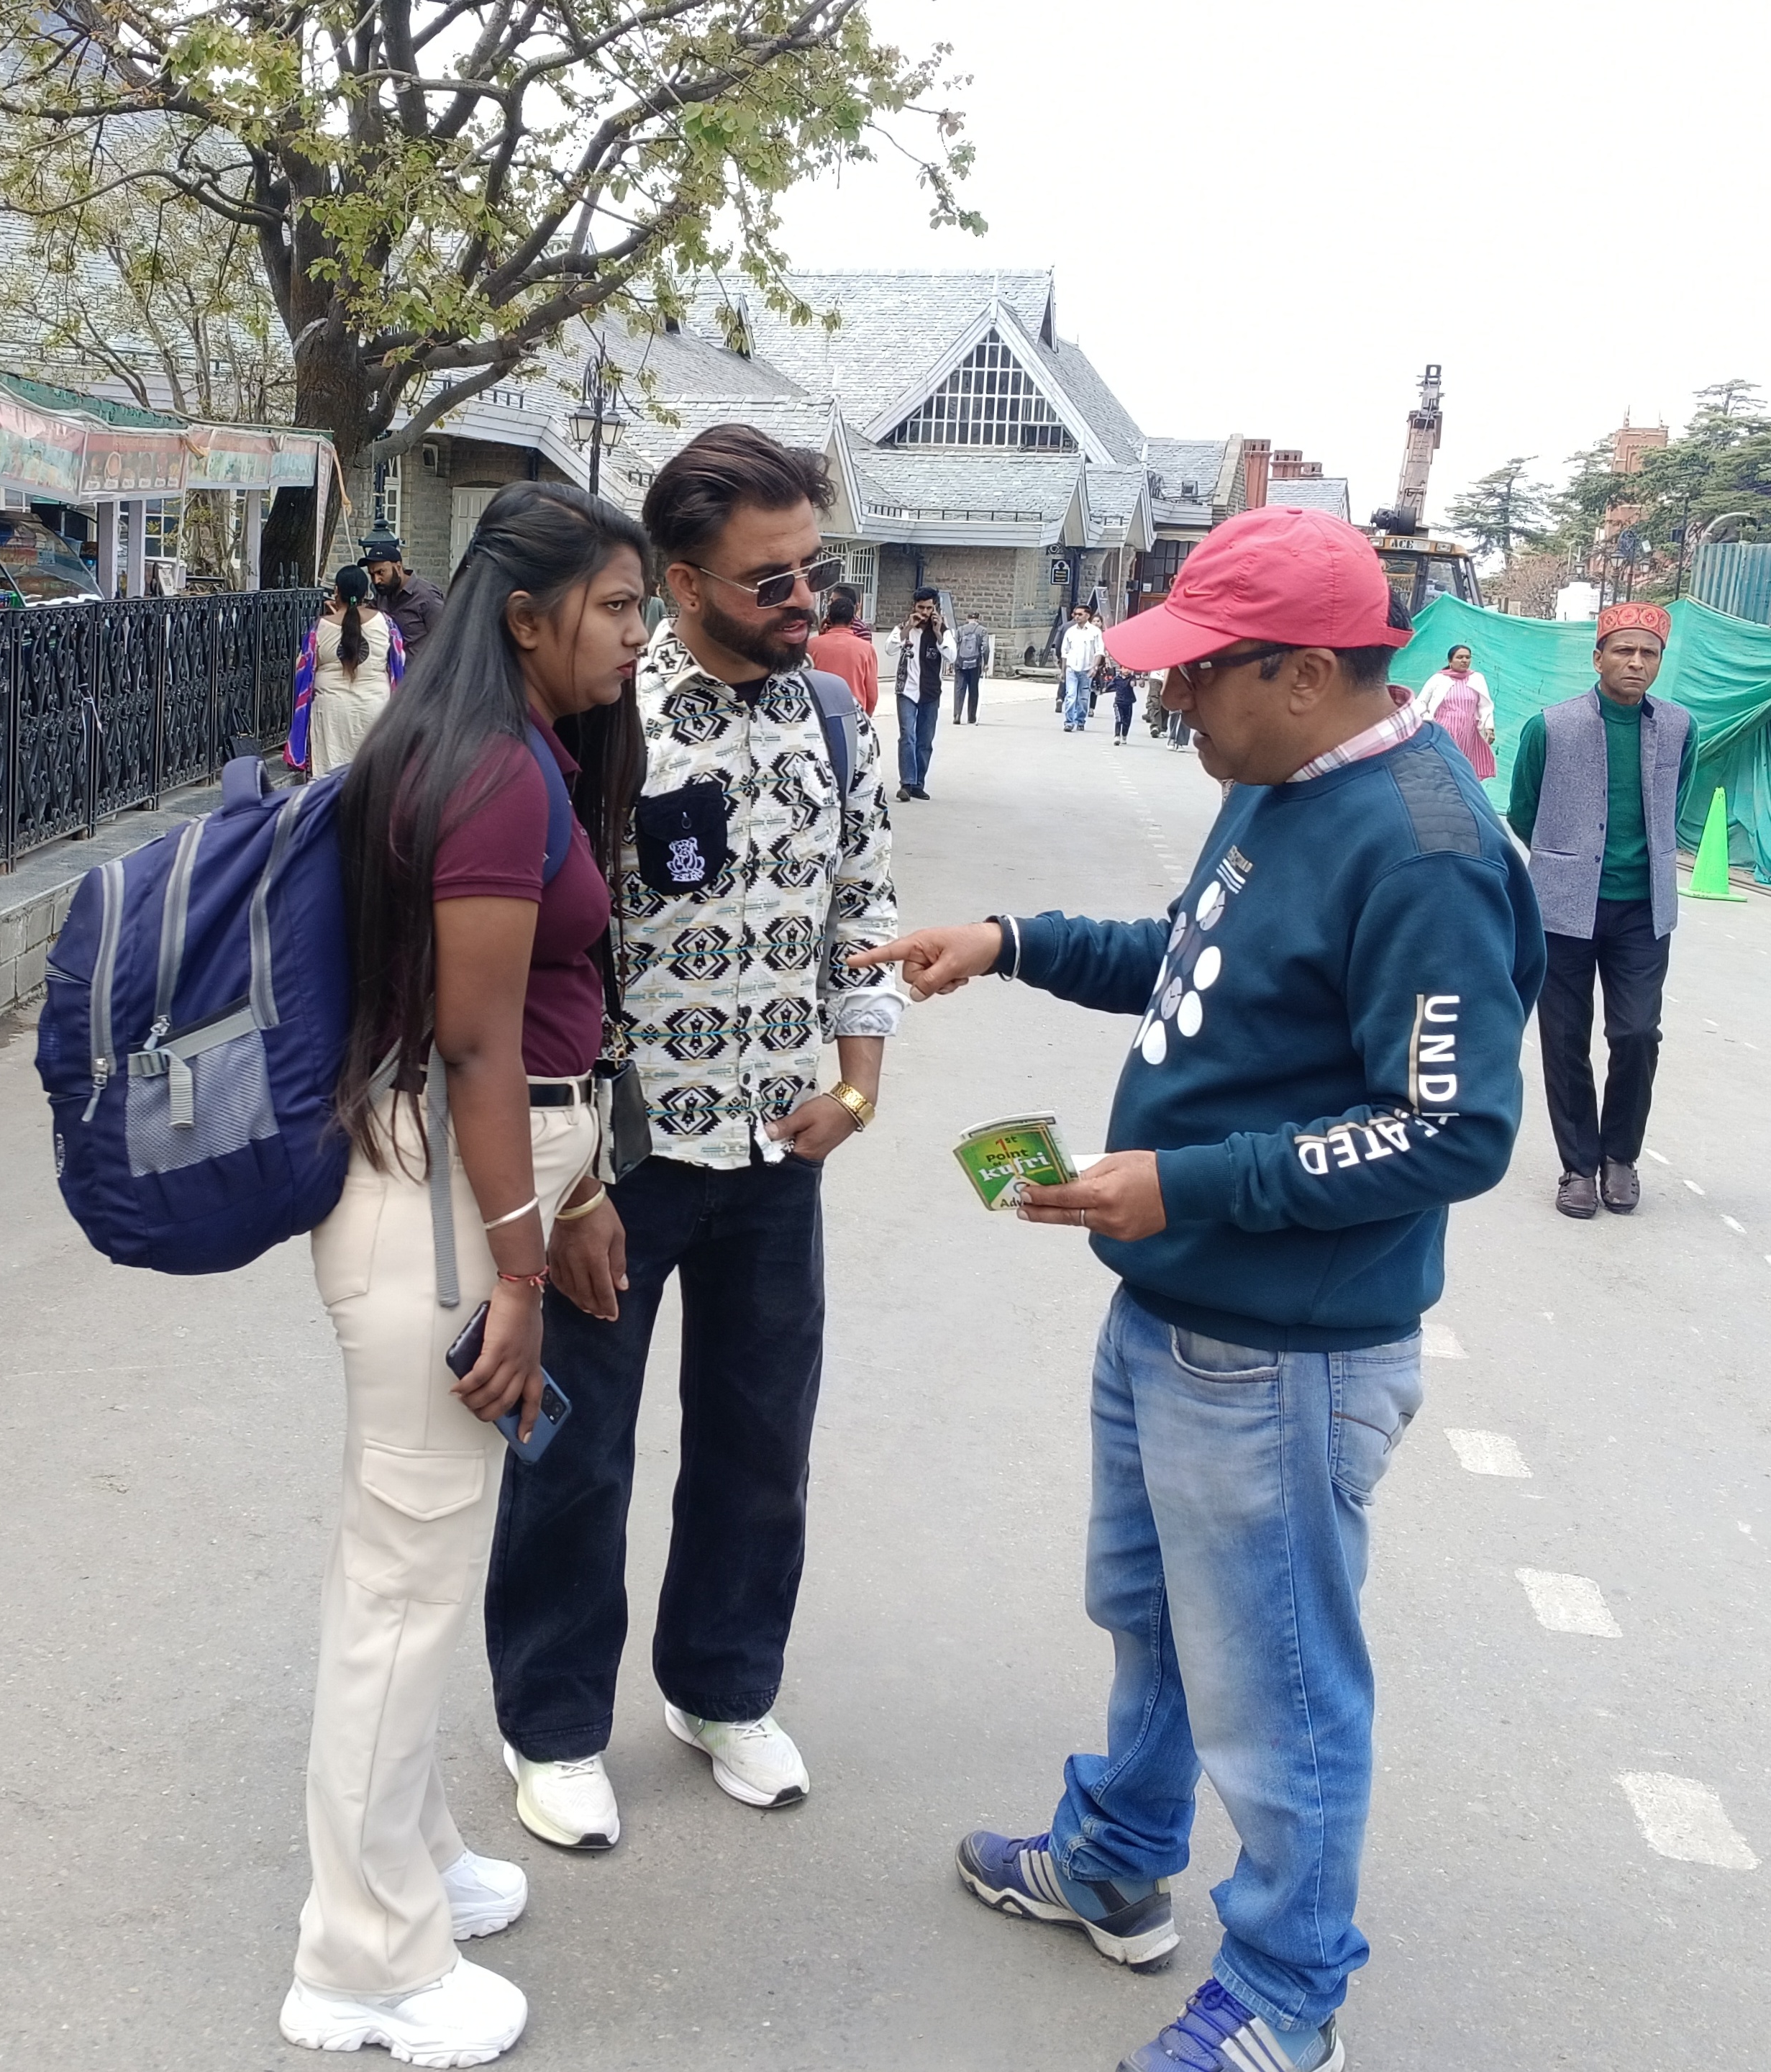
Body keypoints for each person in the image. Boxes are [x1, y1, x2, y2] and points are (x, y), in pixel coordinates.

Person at [852, 506, 1544, 2072]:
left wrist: (1190, 1184)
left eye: (1196, 673)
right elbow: (1192, 959)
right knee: (1153, 1619)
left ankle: (1290, 1998)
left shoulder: (1424, 852)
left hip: (1284, 1351)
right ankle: (1116, 1855)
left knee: (1279, 1684)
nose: (1168, 698)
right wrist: (1014, 940)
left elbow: (1452, 1130)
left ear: (1302, 673)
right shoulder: (1280, 788)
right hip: (1175, 1311)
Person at [486, 424, 903, 1849]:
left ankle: (723, 1689)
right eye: (767, 580)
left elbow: (862, 906)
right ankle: (550, 1723)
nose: (802, 601)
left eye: (812, 570)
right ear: (679, 582)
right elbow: (557, 961)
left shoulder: (835, 715)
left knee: (760, 1440)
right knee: (577, 1450)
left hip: (782, 1153)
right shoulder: (611, 719)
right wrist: (573, 1178)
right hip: (625, 1161)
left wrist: (857, 1089)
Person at [278, 482, 650, 2065]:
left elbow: (533, 1028)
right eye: (618, 607)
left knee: (411, 1569)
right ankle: (360, 1965)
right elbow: (481, 1043)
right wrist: (518, 1274)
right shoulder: (495, 774)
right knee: (402, 1586)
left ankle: (412, 1855)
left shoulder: (503, 749)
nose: (635, 636)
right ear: (525, 615)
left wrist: (577, 1191)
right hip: (440, 1201)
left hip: (467, 1184)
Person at [1507, 599, 1695, 1219]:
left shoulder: (1679, 727)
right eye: (1624, 650)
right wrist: (1568, 859)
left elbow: (1676, 799)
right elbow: (1524, 810)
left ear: (1660, 662)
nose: (1636, 662)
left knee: (1637, 1033)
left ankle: (1620, 1157)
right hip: (1563, 909)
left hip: (1644, 910)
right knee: (1564, 1038)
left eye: (1648, 653)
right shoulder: (1550, 726)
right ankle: (1578, 1167)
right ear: (1598, 658)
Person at [286, 565, 405, 778]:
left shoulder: (321, 626)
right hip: (375, 710)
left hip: (331, 715)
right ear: (366, 592)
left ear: (336, 591)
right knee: (370, 780)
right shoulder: (386, 624)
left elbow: (302, 670)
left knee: (329, 781)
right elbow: (399, 663)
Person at [886, 586, 955, 799]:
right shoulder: (903, 628)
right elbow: (890, 649)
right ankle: (906, 783)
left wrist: (938, 633)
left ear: (935, 608)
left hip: (930, 693)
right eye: (921, 608)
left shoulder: (943, 631)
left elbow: (952, 656)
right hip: (906, 690)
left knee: (925, 741)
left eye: (929, 608)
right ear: (914, 607)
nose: (924, 612)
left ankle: (918, 784)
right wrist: (908, 628)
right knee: (908, 735)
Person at [1414, 642, 1496, 778]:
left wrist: (1489, 728)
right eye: (1460, 657)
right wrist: (1428, 721)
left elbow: (1485, 706)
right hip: (1443, 732)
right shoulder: (1439, 679)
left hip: (1467, 733)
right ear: (1450, 661)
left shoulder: (1477, 679)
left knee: (1463, 769)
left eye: (1467, 657)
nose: (1464, 661)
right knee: (1442, 767)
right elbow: (1420, 703)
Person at [362, 531, 447, 658]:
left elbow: (446, 638)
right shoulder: (383, 594)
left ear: (398, 567)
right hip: (389, 668)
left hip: (419, 669)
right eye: (372, 575)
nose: (376, 580)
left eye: (381, 572)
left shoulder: (427, 596)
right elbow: (366, 613)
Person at [809, 586, 880, 714]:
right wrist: (866, 716)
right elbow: (872, 693)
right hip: (853, 712)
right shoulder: (866, 649)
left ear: (829, 619)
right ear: (852, 621)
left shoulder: (811, 646)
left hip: (820, 712)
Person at [1060, 604, 1105, 731]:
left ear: (1087, 615)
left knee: (1083, 698)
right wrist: (1063, 671)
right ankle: (1069, 722)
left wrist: (1094, 667)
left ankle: (1080, 720)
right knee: (1071, 695)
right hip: (1071, 668)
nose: (1077, 617)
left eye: (1080, 614)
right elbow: (1065, 652)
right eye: (1075, 614)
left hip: (1087, 669)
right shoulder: (1071, 631)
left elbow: (1099, 651)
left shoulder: (1095, 632)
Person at [952, 609, 991, 723]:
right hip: (975, 664)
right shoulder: (982, 630)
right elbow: (985, 648)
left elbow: (954, 646)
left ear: (967, 619)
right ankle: (972, 717)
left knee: (959, 689)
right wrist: (986, 663)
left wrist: (952, 661)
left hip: (960, 663)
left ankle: (957, 715)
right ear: (978, 619)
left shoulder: (960, 630)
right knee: (973, 690)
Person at [1108, 660, 1138, 745]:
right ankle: (1117, 736)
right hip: (1118, 702)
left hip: (1128, 703)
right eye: (1125, 668)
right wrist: (1104, 689)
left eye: (1129, 668)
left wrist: (1133, 679)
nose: (1127, 670)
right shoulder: (1117, 679)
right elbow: (1109, 686)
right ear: (1121, 669)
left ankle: (1124, 735)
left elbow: (1132, 684)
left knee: (1127, 721)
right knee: (1119, 719)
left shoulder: (1132, 678)